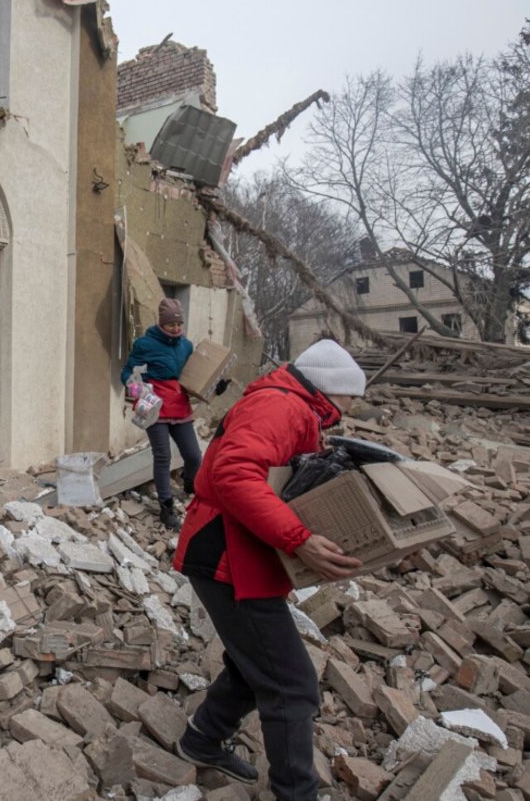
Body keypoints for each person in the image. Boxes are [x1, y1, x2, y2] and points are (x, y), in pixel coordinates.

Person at [171, 339, 367, 801]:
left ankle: (202, 739)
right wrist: (299, 539)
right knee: (292, 685)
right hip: (226, 555)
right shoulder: (281, 407)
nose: (353, 406)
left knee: (255, 662)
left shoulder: (297, 408)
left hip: (241, 553)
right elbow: (235, 474)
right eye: (351, 395)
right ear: (329, 387)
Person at [121, 298, 220, 529]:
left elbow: (194, 376)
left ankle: (189, 483)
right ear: (161, 323)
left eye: (179, 324)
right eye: (171, 324)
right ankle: (166, 507)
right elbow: (127, 373)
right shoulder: (145, 344)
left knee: (194, 456)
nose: (176, 328)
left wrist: (215, 387)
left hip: (179, 404)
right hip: (154, 405)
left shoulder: (186, 346)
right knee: (163, 457)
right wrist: (139, 390)